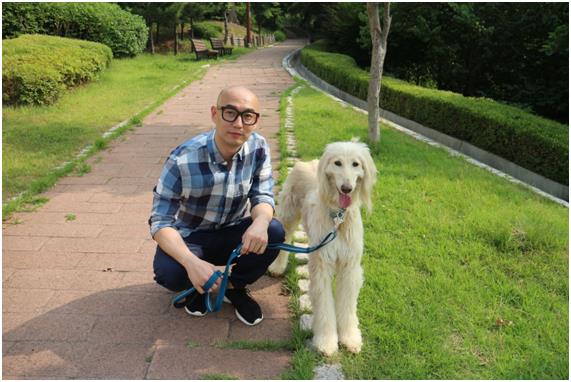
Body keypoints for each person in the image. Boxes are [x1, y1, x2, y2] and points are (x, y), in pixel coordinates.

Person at [149, 86, 285, 326]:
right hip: (191, 237)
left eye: (247, 116)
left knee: (273, 230)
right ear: (214, 113)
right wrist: (192, 263)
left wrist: (261, 222)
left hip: (233, 232)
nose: (239, 123)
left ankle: (233, 286)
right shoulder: (182, 159)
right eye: (230, 112)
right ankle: (197, 283)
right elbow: (160, 222)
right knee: (169, 273)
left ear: (256, 121)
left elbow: (262, 194)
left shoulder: (259, 147)